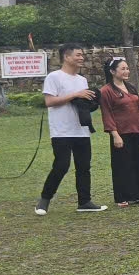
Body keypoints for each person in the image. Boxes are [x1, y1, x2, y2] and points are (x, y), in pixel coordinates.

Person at [35, 43, 108, 215]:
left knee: (84, 167)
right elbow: (49, 102)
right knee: (61, 165)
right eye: (78, 55)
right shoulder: (54, 77)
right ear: (66, 57)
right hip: (61, 131)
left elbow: (82, 103)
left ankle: (85, 202)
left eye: (82, 55)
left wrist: (91, 101)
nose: (82, 57)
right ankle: (44, 200)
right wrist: (76, 95)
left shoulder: (82, 80)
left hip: (81, 130)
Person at [99, 56, 139, 207]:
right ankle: (122, 197)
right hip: (121, 133)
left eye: (127, 68)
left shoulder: (131, 87)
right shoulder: (106, 91)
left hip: (137, 130)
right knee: (122, 165)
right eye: (123, 68)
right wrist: (114, 135)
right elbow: (107, 114)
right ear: (113, 71)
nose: (126, 71)